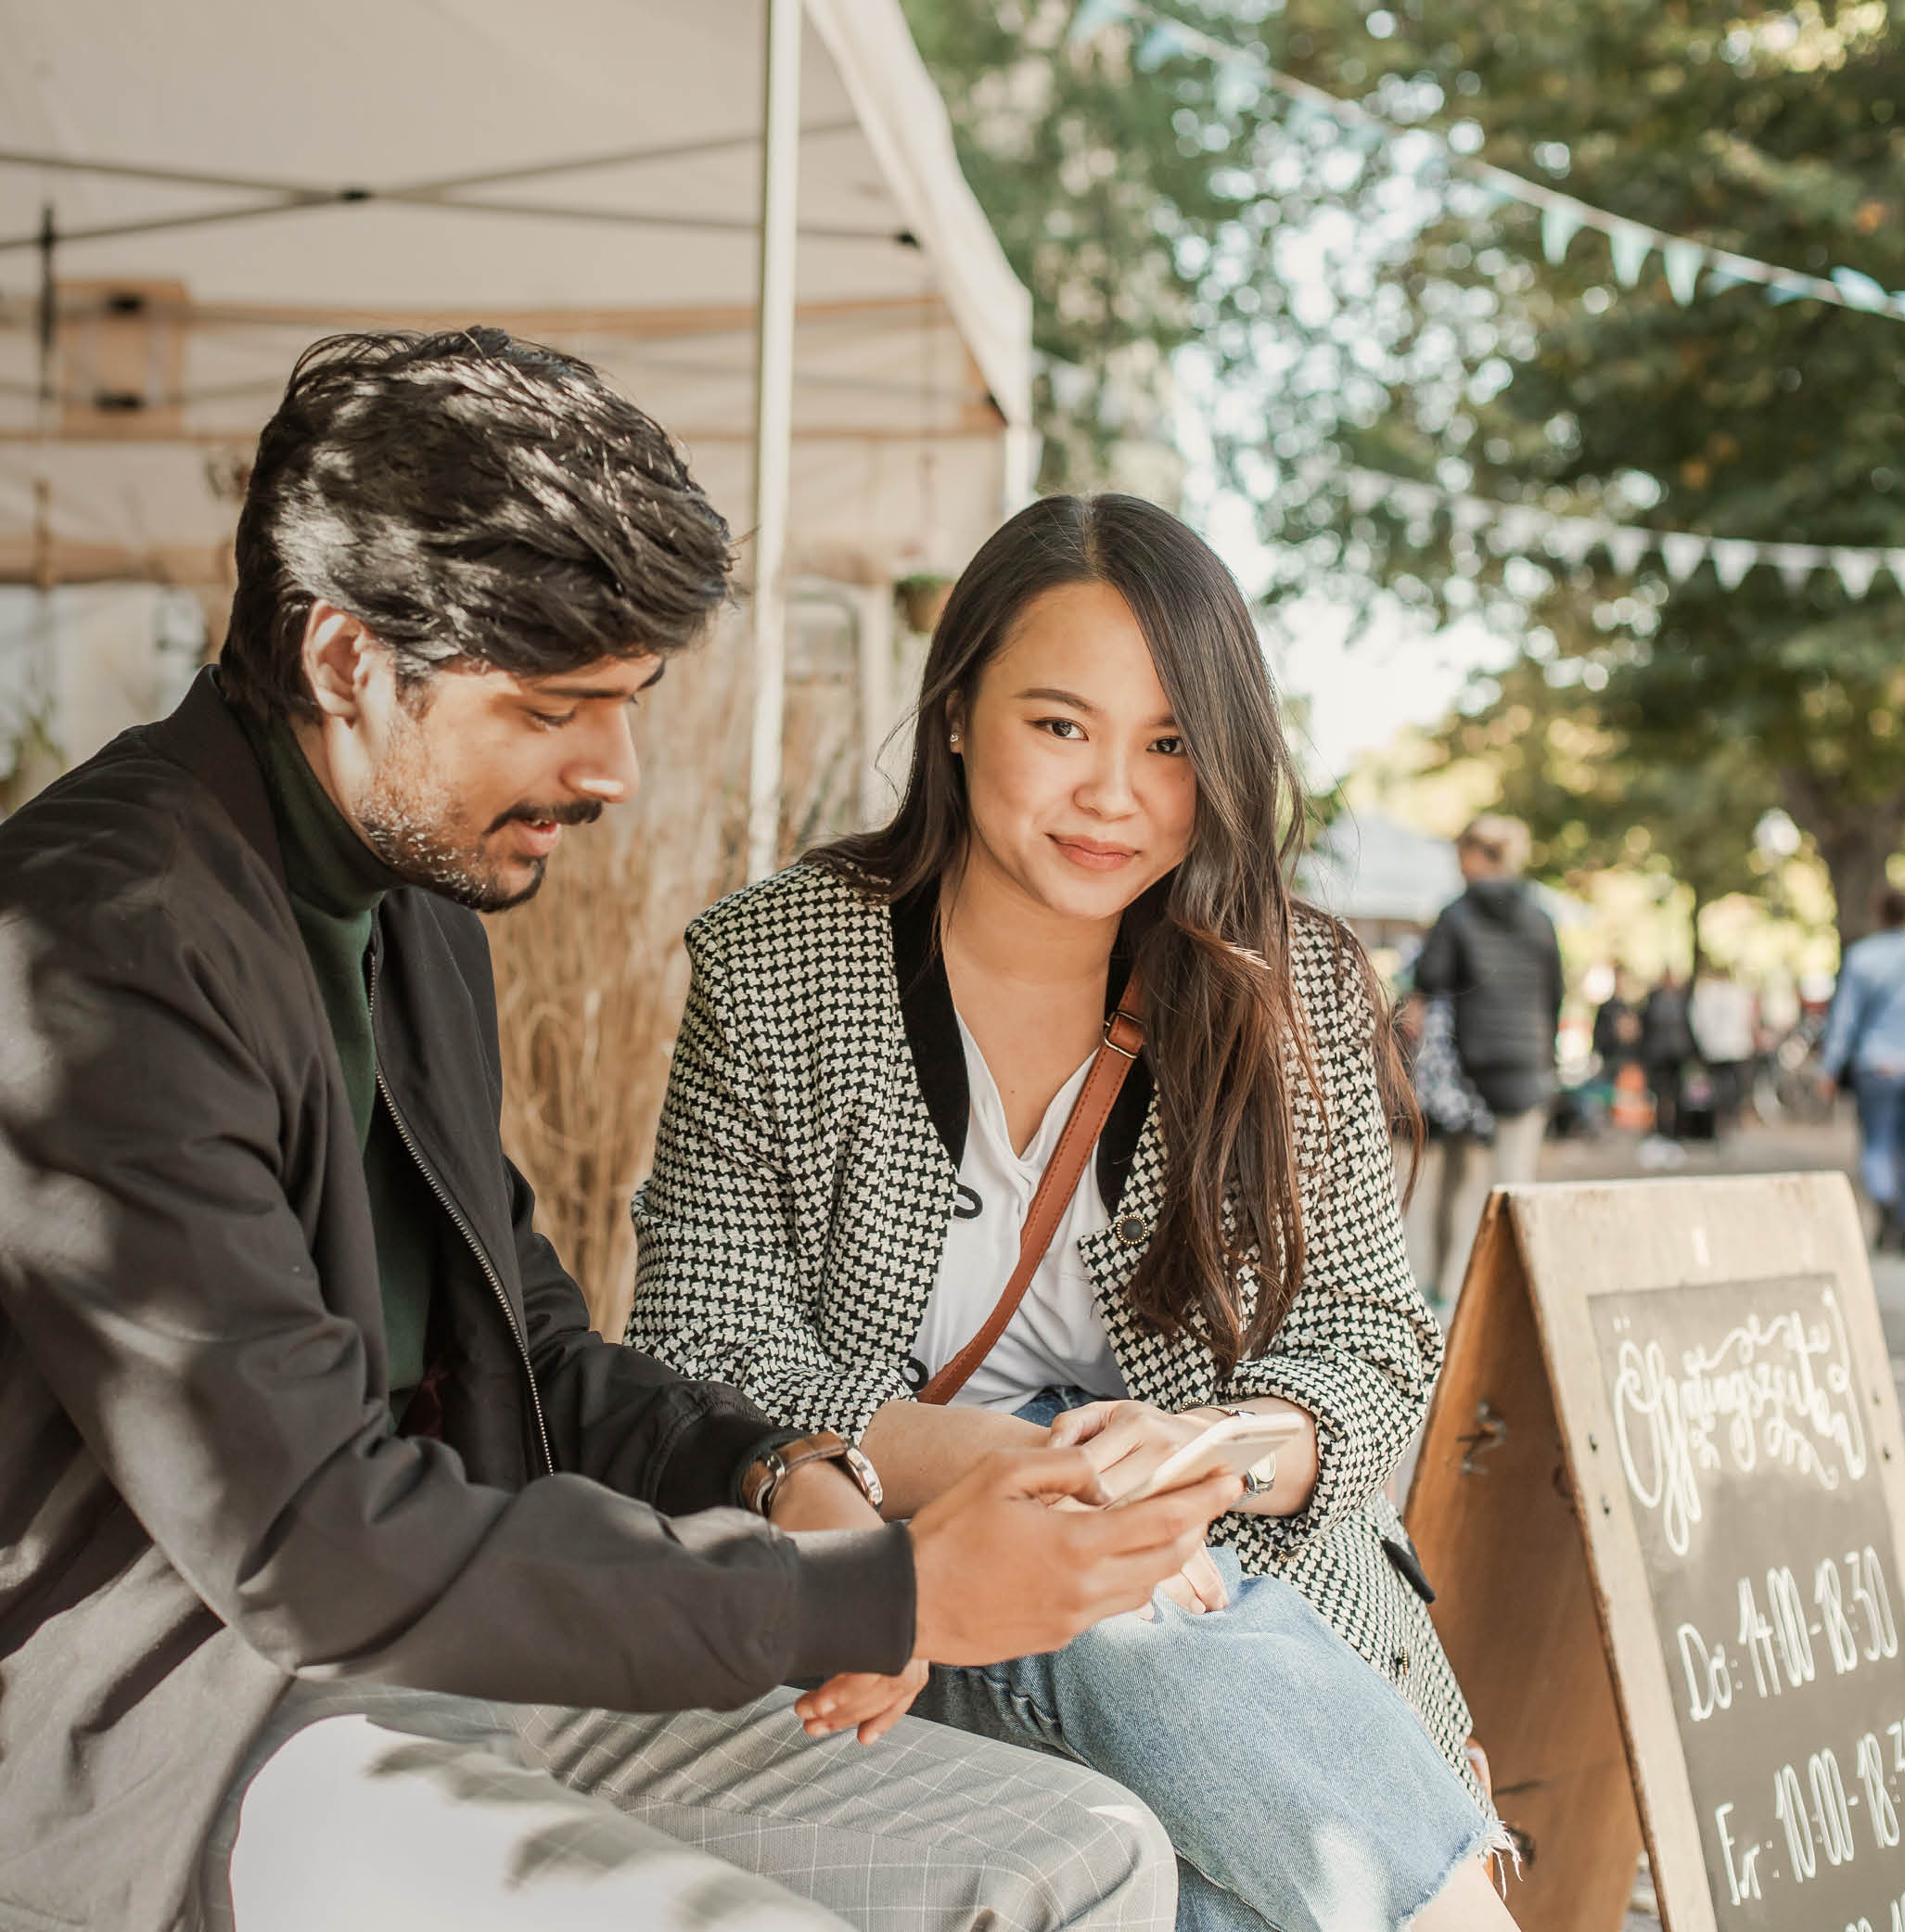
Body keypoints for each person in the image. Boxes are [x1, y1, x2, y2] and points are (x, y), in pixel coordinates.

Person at [0, 334, 1243, 1932]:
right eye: (551, 707)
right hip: (196, 1732)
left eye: (631, 701)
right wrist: (885, 1586)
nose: (613, 772)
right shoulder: (96, 944)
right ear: (342, 659)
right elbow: (305, 1542)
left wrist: (781, 1465)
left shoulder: (418, 900)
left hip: (461, 1656)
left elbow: (527, 1341)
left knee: (1082, 1856)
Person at [630, 494, 1517, 1932]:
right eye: (1061, 725)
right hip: (893, 1590)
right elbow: (692, 1340)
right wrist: (999, 1463)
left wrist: (1203, 1456)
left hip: (1247, 1616)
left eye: (1168, 745)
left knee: (1196, 1868)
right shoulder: (775, 962)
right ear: (958, 708)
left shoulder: (1278, 991)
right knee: (1098, 1585)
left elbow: (1367, 1338)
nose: (1114, 793)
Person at [1411, 815, 1564, 1303]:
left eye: (1462, 857)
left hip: (1470, 1074)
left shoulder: (1455, 916)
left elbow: (1428, 984)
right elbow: (1555, 994)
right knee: (1514, 1189)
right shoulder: (1542, 917)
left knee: (1461, 1190)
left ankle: (1449, 1293)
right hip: (1528, 1069)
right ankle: (1503, 1298)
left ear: (1480, 856)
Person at [1820, 884, 1905, 1254]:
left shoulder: (1862, 959)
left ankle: (1886, 1205)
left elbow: (1845, 1019)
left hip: (1879, 1066)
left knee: (1877, 1144)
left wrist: (1830, 1068)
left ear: (1878, 913)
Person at [1690, 963, 1758, 1137]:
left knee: (1718, 1086)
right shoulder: (1738, 992)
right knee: (1734, 1087)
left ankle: (1720, 1118)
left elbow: (1697, 1022)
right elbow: (1749, 1017)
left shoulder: (1705, 994)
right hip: (1736, 1047)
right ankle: (1731, 1117)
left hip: (1714, 1048)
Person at [1641, 969, 1696, 1145]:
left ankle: (1677, 1129)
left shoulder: (1681, 999)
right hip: (1659, 1055)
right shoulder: (1655, 1000)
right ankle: (1661, 1128)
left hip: (1677, 1055)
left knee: (1678, 1093)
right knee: (1660, 1093)